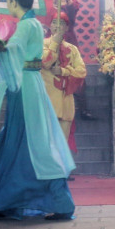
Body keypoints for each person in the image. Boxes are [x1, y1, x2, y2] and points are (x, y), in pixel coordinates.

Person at [0, 0, 76, 219]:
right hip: (32, 82)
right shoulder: (34, 23)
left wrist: (0, 50)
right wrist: (3, 50)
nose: (7, 5)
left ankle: (13, 198)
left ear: (14, 2)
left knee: (25, 138)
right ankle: (38, 199)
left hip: (25, 84)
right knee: (32, 138)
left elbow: (14, 52)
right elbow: (17, 52)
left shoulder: (25, 25)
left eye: (7, 0)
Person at [41, 12, 87, 153]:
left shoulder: (72, 49)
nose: (57, 26)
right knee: (47, 144)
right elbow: (46, 62)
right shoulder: (42, 44)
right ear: (50, 25)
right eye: (54, 22)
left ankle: (62, 166)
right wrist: (55, 42)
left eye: (61, 23)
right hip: (48, 101)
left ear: (67, 28)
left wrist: (64, 71)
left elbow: (81, 71)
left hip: (66, 103)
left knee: (62, 145)